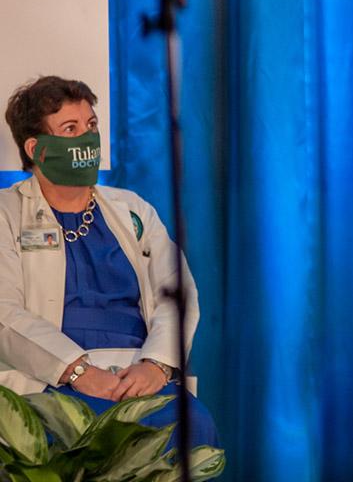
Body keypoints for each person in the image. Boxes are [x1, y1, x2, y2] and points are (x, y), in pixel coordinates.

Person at [0, 76, 217, 447]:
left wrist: (157, 365)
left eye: (91, 125)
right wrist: (77, 371)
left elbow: (176, 291)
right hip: (53, 379)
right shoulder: (7, 212)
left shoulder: (131, 209)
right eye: (71, 128)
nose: (87, 139)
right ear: (37, 149)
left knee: (193, 425)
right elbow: (4, 311)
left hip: (139, 376)